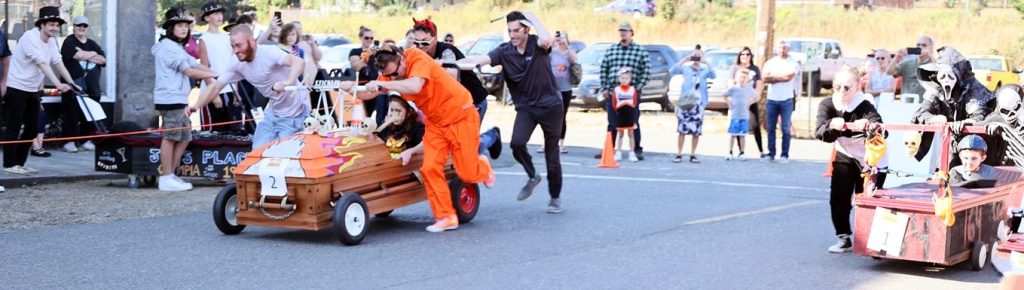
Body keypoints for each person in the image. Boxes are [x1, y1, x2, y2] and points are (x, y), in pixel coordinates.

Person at [341, 44, 496, 232]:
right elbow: (369, 92)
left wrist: (384, 84)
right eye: (389, 76)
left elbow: (415, 85)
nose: (394, 78)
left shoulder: (417, 57)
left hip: (460, 116)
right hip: (436, 123)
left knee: (467, 173)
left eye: (395, 73)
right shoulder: (391, 74)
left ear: (402, 58)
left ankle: (483, 167)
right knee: (429, 168)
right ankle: (447, 216)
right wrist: (352, 89)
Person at [459, 11, 565, 213]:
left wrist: (533, 18)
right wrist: (445, 65)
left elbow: (546, 39)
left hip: (552, 107)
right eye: (510, 31)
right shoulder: (505, 51)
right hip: (527, 107)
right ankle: (533, 176)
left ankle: (555, 197)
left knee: (552, 157)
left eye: (517, 30)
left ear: (526, 29)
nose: (513, 35)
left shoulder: (537, 45)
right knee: (516, 144)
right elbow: (478, 60)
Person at [198, 24, 310, 149]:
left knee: (284, 153)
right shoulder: (236, 62)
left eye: (239, 45)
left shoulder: (269, 52)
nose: (235, 51)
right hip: (273, 113)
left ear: (251, 41)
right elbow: (215, 87)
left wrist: (287, 82)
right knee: (257, 151)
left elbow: (299, 62)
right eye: (233, 46)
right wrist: (195, 106)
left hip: (295, 112)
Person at [814, 66, 883, 253]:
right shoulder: (828, 105)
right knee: (838, 198)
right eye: (837, 87)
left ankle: (871, 238)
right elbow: (820, 132)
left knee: (867, 198)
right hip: (845, 153)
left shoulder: (865, 104)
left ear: (857, 87)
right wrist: (832, 126)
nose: (842, 92)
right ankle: (843, 237)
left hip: (870, 157)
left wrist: (867, 124)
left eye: (847, 88)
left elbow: (878, 123)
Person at [409, 17, 501, 158]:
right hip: (453, 107)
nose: (420, 46)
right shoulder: (419, 54)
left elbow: (451, 77)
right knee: (456, 146)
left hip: (473, 101)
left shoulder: (446, 51)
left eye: (425, 42)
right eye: (417, 42)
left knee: (468, 149)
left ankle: (492, 136)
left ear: (435, 38)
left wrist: (432, 66)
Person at [4, 7, 80, 176]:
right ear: (42, 24)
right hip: (15, 86)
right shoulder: (30, 37)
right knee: (13, 128)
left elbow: (57, 62)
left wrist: (71, 82)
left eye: (57, 25)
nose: (54, 28)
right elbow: (42, 63)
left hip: (31, 89)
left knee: (32, 128)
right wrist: (58, 85)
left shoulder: (52, 41)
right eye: (51, 24)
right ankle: (9, 164)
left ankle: (20, 164)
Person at [152, 6, 220, 191]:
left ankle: (171, 174)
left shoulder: (177, 47)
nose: (184, 29)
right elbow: (189, 71)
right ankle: (166, 178)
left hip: (179, 98)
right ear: (170, 28)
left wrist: (221, 73)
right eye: (179, 25)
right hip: (170, 98)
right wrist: (215, 74)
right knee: (170, 137)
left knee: (184, 137)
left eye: (186, 26)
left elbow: (194, 64)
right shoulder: (167, 47)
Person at [598, 21, 650, 161]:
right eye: (621, 30)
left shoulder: (640, 51)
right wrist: (604, 88)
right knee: (612, 122)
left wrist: (637, 89)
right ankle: (610, 148)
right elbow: (604, 69)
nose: (623, 33)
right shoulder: (612, 50)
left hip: (631, 93)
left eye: (625, 31)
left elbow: (646, 71)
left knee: (633, 122)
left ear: (631, 33)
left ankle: (636, 149)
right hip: (614, 92)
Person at [60, 15, 106, 153]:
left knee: (90, 113)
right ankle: (69, 141)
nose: (81, 28)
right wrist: (92, 55)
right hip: (74, 84)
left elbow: (103, 60)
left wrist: (86, 53)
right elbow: (75, 56)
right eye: (79, 25)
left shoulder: (92, 43)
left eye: (84, 26)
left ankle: (86, 140)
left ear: (88, 28)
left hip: (92, 87)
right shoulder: (69, 41)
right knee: (71, 112)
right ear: (73, 26)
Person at [197, 1, 242, 134]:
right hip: (212, 90)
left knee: (231, 131)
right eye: (215, 14)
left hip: (229, 88)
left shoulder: (227, 38)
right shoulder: (204, 39)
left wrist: (236, 90)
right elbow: (204, 68)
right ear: (207, 18)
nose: (219, 16)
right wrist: (214, 94)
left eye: (221, 13)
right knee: (213, 132)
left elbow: (233, 65)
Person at [670, 48, 715, 163]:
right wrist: (684, 60)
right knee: (682, 129)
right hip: (686, 102)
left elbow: (713, 75)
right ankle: (679, 153)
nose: (696, 57)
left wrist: (706, 63)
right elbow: (672, 70)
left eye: (699, 55)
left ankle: (693, 154)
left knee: (696, 130)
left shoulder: (704, 70)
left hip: (699, 103)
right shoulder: (686, 68)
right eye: (694, 55)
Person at [762, 40, 802, 163]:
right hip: (772, 99)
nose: (782, 50)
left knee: (785, 128)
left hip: (786, 99)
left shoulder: (793, 63)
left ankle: (784, 154)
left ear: (788, 49)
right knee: (771, 127)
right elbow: (765, 78)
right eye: (780, 47)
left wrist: (774, 77)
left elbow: (788, 77)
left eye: (784, 47)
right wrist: (779, 77)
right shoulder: (770, 62)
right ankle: (771, 153)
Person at [729, 47, 765, 159]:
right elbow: (731, 85)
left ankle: (761, 150)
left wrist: (753, 100)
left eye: (748, 54)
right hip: (739, 102)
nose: (745, 56)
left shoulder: (755, 69)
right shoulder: (734, 68)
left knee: (755, 125)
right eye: (742, 54)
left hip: (751, 101)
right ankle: (740, 151)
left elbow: (759, 86)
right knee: (738, 125)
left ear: (751, 56)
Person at [545, 30, 576, 154]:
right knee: (548, 117)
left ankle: (561, 143)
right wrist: (553, 40)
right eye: (559, 39)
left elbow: (574, 60)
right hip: (551, 88)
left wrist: (566, 46)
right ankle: (546, 143)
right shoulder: (553, 52)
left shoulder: (569, 52)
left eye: (562, 38)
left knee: (561, 116)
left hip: (565, 89)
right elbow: (545, 55)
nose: (560, 41)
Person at [377, 95, 425, 163]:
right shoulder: (386, 126)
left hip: (407, 166)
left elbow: (424, 147)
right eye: (391, 110)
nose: (393, 114)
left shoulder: (418, 128)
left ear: (408, 112)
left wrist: (412, 151)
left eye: (398, 110)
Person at [725, 69, 756, 161]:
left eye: (744, 78)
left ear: (747, 79)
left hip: (744, 116)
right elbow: (724, 95)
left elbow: (756, 97)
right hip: (734, 115)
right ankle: (730, 151)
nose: (742, 79)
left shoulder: (749, 89)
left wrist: (749, 103)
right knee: (732, 134)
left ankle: (742, 152)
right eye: (740, 77)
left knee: (743, 135)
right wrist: (729, 103)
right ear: (736, 78)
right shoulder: (733, 89)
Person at [349, 26, 380, 118]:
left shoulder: (376, 53)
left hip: (375, 87)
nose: (369, 40)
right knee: (361, 115)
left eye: (371, 38)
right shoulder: (355, 51)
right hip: (361, 88)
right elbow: (356, 66)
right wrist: (367, 54)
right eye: (366, 37)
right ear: (361, 38)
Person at [611, 67, 638, 162]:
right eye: (622, 78)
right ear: (619, 79)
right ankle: (618, 152)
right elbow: (614, 102)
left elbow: (634, 102)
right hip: (620, 113)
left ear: (630, 79)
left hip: (630, 113)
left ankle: (632, 152)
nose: (624, 80)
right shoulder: (616, 89)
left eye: (626, 78)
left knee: (631, 133)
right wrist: (617, 109)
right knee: (620, 133)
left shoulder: (632, 89)